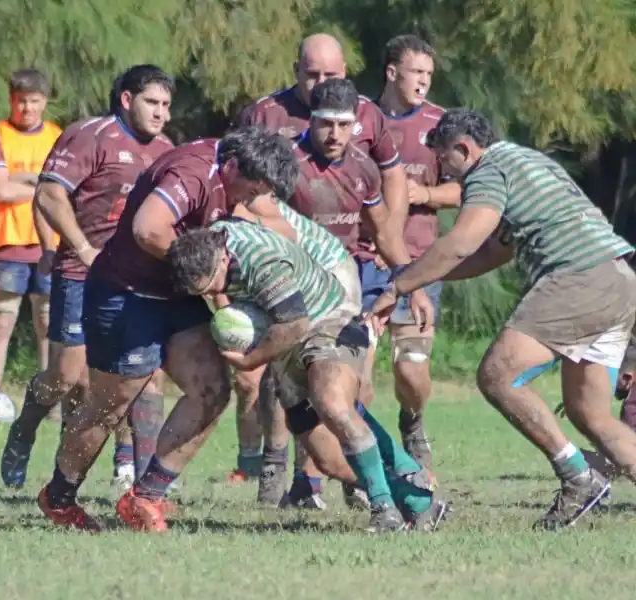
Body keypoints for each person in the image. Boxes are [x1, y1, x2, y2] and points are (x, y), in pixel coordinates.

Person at [371, 108, 636, 530]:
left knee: (497, 374)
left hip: (578, 277)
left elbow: (461, 242)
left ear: (463, 148)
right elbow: (492, 252)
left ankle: (578, 477)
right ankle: (582, 476)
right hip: (618, 277)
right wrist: (422, 276)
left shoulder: (487, 170)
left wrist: (398, 285)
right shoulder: (524, 161)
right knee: (592, 416)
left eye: (445, 162)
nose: (446, 175)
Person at [36, 126, 298, 531]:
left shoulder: (239, 174)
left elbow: (277, 224)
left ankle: (145, 498)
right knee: (111, 406)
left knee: (212, 389)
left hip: (175, 297)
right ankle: (59, 497)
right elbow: (148, 228)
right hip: (125, 293)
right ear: (231, 167)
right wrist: (208, 272)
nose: (249, 201)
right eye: (248, 191)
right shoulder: (193, 173)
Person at [165, 221, 445, 533]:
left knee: (332, 401)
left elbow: (295, 324)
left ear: (222, 259)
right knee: (327, 458)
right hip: (286, 340)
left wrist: (249, 361)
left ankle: (384, 511)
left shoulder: (262, 262)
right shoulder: (204, 246)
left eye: (213, 287)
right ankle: (418, 495)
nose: (216, 295)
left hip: (328, 318)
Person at [239, 78, 435, 510]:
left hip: (345, 288)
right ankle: (289, 475)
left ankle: (389, 485)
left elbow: (382, 230)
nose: (335, 135)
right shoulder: (285, 164)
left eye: (344, 125)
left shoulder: (363, 168)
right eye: (326, 124)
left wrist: (410, 282)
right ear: (311, 119)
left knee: (350, 389)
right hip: (289, 288)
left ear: (355, 124)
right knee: (287, 390)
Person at [0, 65, 175, 489]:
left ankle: (144, 490)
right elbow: (49, 193)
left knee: (147, 376)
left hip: (138, 280)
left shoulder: (167, 149)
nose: (162, 114)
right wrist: (81, 246)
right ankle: (24, 429)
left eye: (167, 106)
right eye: (153, 103)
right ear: (127, 100)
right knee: (65, 376)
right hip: (82, 273)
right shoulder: (90, 135)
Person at [359, 35, 462, 469]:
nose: (424, 81)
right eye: (416, 72)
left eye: (428, 75)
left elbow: (466, 188)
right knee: (354, 376)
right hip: (362, 261)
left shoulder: (441, 125)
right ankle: (360, 465)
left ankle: (413, 424)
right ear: (391, 72)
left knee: (411, 368)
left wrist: (428, 193)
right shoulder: (358, 119)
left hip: (420, 263)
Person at [0, 68, 62, 421]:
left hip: (49, 244)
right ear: (11, 100)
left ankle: (49, 400)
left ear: (45, 102)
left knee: (48, 324)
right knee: (1, 324)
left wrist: (23, 180)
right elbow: (1, 190)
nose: (27, 108)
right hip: (6, 244)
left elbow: (69, 191)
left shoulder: (58, 138)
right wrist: (42, 187)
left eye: (34, 101)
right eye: (20, 101)